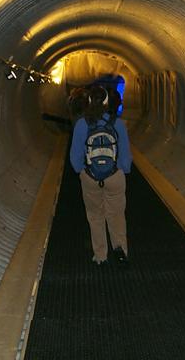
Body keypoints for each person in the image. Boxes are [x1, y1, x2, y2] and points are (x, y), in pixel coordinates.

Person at [70, 85, 132, 266]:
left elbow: (75, 157)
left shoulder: (82, 124)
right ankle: (121, 250)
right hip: (115, 176)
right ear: (106, 102)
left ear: (89, 101)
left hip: (90, 177)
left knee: (95, 216)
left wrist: (82, 171)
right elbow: (126, 154)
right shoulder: (117, 123)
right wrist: (121, 170)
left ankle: (100, 256)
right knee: (116, 214)